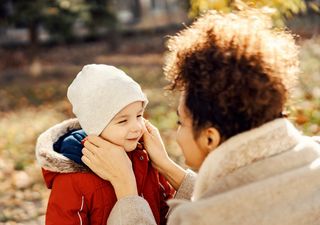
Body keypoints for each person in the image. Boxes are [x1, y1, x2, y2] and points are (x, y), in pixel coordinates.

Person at [80, 9, 320, 225]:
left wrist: (126, 189)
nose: (177, 135)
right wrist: (167, 168)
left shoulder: (199, 219)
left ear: (210, 138)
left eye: (180, 123)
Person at [35, 64, 174, 225]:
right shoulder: (73, 179)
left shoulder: (144, 159)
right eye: (123, 121)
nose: (137, 127)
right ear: (95, 127)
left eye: (139, 115)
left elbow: (169, 213)